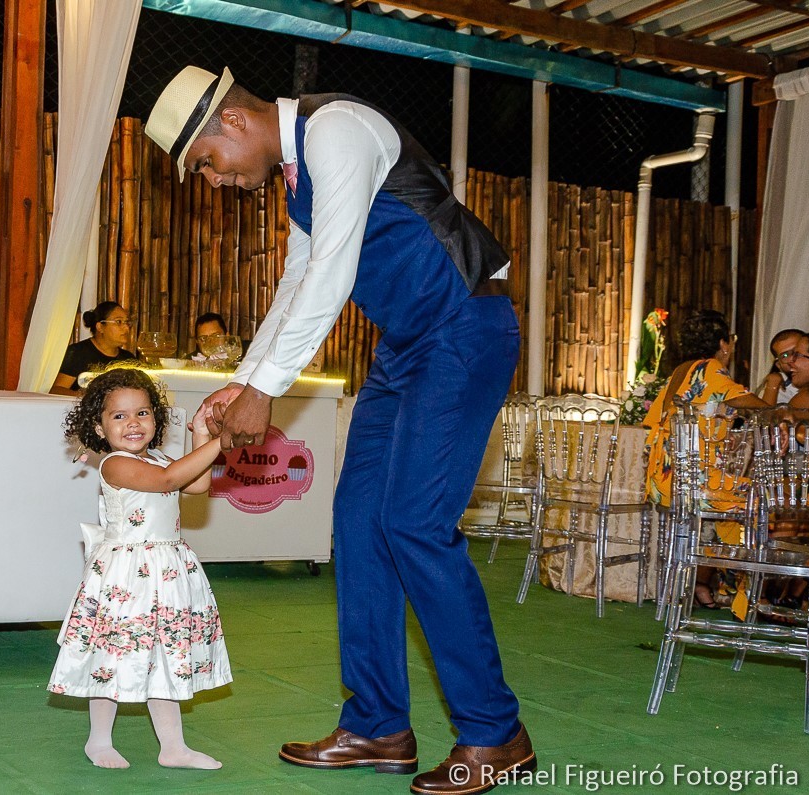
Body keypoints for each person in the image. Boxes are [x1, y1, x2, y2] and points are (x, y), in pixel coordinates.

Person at [146, 66, 530, 794]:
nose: (214, 181)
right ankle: (379, 724)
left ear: (230, 121)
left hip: (464, 328)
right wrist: (244, 379)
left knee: (414, 522)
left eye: (206, 164)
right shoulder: (297, 175)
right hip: (405, 345)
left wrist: (267, 389)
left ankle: (495, 732)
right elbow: (296, 281)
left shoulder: (336, 131)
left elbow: (333, 270)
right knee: (357, 521)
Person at [47, 368, 232, 770]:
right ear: (98, 426)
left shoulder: (160, 457)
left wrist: (201, 430)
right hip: (127, 578)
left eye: (143, 413)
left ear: (157, 418)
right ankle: (98, 741)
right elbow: (169, 480)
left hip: (166, 570)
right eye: (119, 416)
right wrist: (222, 439)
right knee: (112, 654)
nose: (133, 423)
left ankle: (173, 748)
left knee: (164, 652)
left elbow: (197, 485)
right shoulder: (114, 464)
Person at [642, 310, 768, 614]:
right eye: (732, 341)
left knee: (734, 503)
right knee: (762, 500)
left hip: (666, 479)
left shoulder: (681, 370)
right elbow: (749, 403)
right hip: (697, 482)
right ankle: (748, 597)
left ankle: (704, 581)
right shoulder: (710, 368)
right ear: (723, 343)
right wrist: (779, 409)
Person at [50, 301, 136, 396]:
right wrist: (84, 398)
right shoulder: (78, 353)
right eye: (119, 322)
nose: (126, 328)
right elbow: (56, 390)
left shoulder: (129, 359)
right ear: (100, 327)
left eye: (127, 322)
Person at [757, 328, 805, 405]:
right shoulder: (776, 391)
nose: (793, 359)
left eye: (797, 351)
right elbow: (765, 415)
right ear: (779, 365)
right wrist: (772, 386)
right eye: (785, 355)